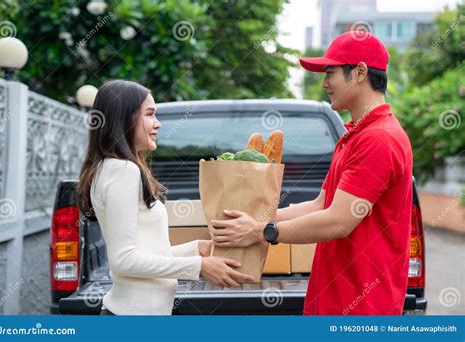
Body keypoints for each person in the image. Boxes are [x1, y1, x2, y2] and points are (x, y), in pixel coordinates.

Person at [210, 31, 413, 315]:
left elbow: (339, 221)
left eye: (330, 73)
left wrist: (262, 231)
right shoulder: (354, 135)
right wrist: (253, 221)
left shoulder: (379, 138)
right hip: (332, 300)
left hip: (362, 308)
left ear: (360, 72)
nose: (324, 83)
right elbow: (320, 205)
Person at [76, 80, 254, 315]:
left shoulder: (110, 167)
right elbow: (124, 261)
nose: (157, 124)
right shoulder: (124, 171)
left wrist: (196, 249)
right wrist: (199, 266)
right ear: (125, 119)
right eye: (149, 114)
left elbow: (147, 256)